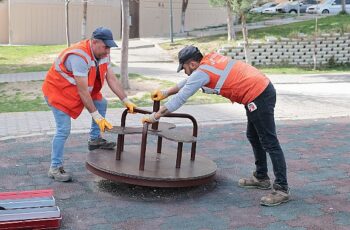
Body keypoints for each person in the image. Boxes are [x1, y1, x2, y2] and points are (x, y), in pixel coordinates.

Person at [142, 45, 290, 206]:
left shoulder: (201, 72)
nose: (184, 71)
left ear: (192, 64)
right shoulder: (209, 60)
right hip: (259, 90)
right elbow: (189, 81)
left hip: (258, 94)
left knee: (269, 142)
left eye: (184, 67)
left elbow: (181, 98)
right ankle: (261, 177)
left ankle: (282, 188)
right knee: (253, 136)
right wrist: (166, 92)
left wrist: (154, 116)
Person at [42, 27, 136, 182]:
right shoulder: (79, 56)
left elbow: (111, 78)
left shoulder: (103, 54)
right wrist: (97, 117)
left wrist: (126, 100)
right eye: (105, 47)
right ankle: (54, 167)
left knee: (101, 102)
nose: (107, 51)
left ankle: (95, 139)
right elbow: (83, 91)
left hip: (75, 92)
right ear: (94, 42)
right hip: (58, 94)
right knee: (63, 130)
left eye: (109, 47)